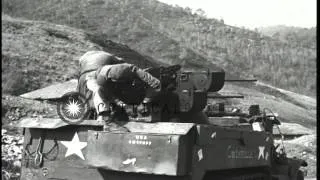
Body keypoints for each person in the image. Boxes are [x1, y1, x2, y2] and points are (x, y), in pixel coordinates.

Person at [91, 63, 161, 121]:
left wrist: (145, 102)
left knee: (146, 114)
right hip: (122, 98)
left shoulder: (135, 71)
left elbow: (156, 84)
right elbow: (104, 92)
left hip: (140, 94)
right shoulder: (104, 77)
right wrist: (123, 105)